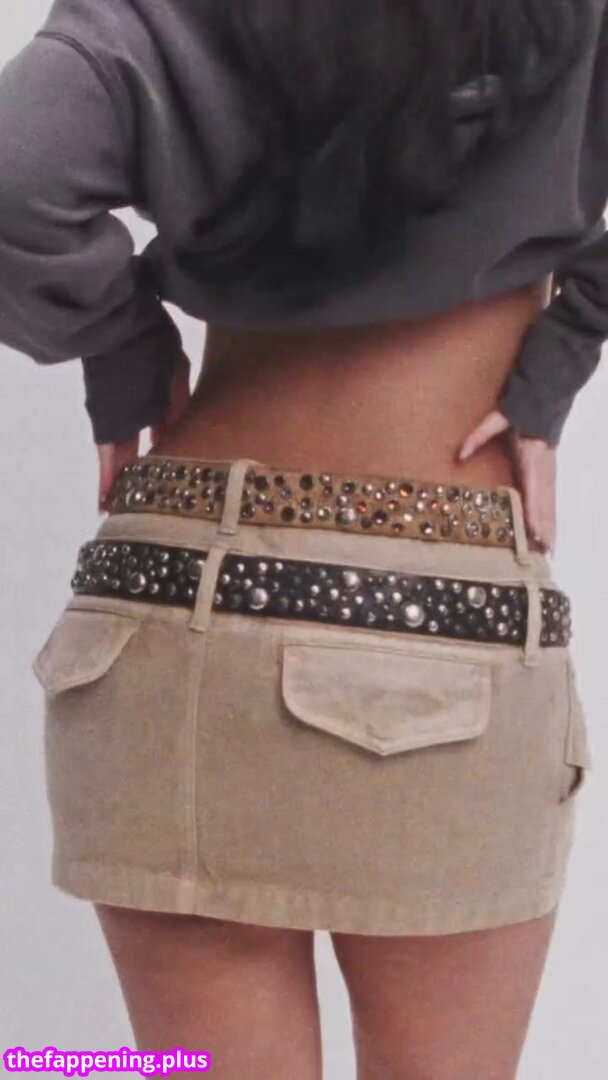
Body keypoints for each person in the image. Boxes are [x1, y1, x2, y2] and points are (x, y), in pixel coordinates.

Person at [0, 0, 602, 1075]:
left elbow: (17, 176)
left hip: (161, 608)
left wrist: (121, 347)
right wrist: (559, 351)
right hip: (435, 624)